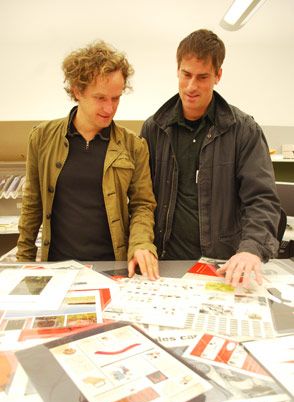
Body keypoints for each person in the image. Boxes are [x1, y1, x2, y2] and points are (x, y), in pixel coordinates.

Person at [141, 29, 281, 288]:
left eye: (202, 77)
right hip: (164, 265)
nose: (191, 86)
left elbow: (262, 200)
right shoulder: (154, 129)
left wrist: (251, 249)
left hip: (221, 266)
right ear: (177, 70)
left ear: (218, 75)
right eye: (186, 75)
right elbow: (141, 201)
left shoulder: (244, 130)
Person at [16, 40, 159, 280]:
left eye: (116, 98)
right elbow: (32, 205)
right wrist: (23, 263)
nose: (109, 108)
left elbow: (143, 205)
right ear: (77, 91)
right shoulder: (42, 137)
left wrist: (141, 243)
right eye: (100, 98)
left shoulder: (134, 145)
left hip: (113, 269)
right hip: (58, 269)